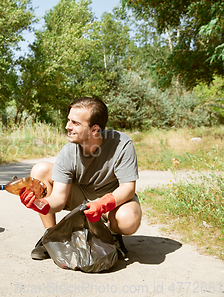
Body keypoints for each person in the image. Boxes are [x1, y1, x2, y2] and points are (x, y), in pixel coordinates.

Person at [20, 97, 142, 260]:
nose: (67, 127)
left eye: (75, 123)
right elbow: (59, 198)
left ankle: (113, 235)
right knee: (40, 170)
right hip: (80, 196)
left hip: (111, 200)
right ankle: (52, 236)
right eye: (69, 120)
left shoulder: (121, 144)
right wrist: (39, 204)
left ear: (94, 129)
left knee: (129, 220)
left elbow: (128, 188)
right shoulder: (68, 152)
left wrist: (101, 205)